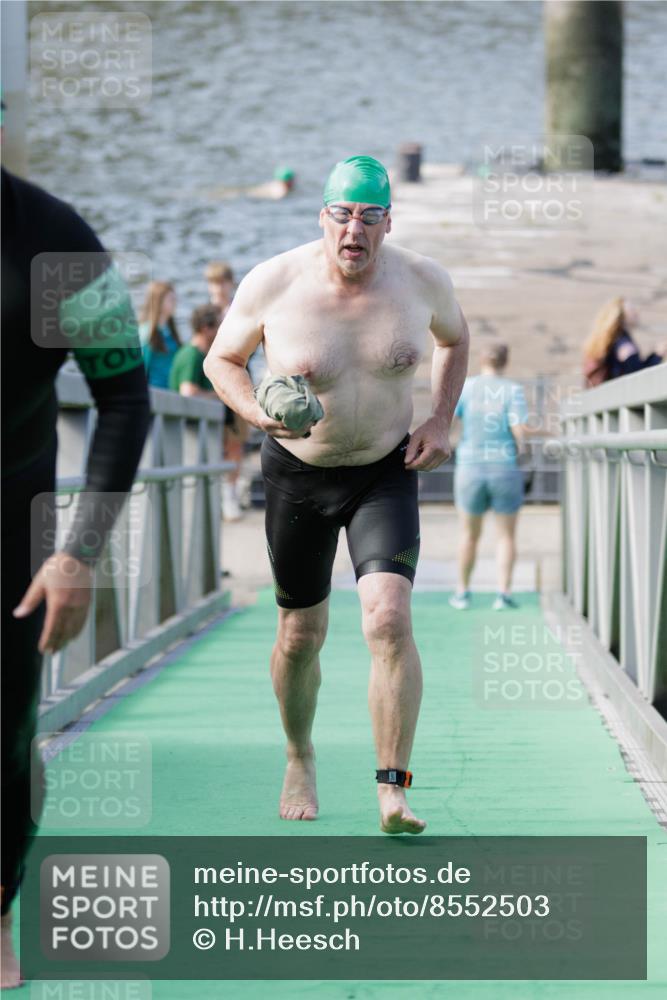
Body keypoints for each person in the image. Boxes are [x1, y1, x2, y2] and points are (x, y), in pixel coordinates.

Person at [204, 155, 469, 835]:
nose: (354, 229)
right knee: (300, 634)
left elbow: (454, 339)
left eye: (369, 216)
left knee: (387, 619)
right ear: (322, 216)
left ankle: (393, 789)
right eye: (342, 215)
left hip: (383, 471)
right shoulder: (274, 282)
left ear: (387, 222)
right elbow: (220, 359)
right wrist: (254, 414)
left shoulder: (421, 281)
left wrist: (439, 418)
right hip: (297, 473)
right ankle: (298, 754)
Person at [1, 167, 151, 988]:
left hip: (14, 532)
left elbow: (123, 396)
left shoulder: (56, 239)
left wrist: (78, 552)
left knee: (5, 731)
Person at [449, 344, 529, 612]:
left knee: (468, 535)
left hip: (470, 467)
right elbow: (520, 431)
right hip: (504, 467)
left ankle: (462, 592)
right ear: (506, 362)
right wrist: (527, 448)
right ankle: (503, 594)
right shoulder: (513, 390)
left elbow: (450, 419)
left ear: (480, 359)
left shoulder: (467, 388)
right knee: (506, 536)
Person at [204, 262, 249, 521]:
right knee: (215, 442)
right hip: (211, 380)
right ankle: (221, 492)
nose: (217, 288)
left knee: (235, 440)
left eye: (221, 282)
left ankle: (230, 493)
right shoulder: (206, 312)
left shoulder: (237, 308)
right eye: (213, 283)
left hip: (237, 375)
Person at [582, 297, 665, 387]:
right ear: (620, 315)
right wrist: (657, 355)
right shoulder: (623, 343)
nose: (636, 313)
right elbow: (638, 375)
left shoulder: (612, 340)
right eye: (632, 310)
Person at [170, 305, 221, 398]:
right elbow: (188, 393)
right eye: (218, 326)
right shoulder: (191, 355)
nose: (221, 331)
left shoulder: (200, 355)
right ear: (205, 329)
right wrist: (222, 395)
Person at [139, 280, 181, 388]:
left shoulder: (170, 331)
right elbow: (141, 367)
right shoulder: (146, 332)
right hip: (154, 392)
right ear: (158, 301)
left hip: (172, 392)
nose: (175, 302)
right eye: (171, 299)